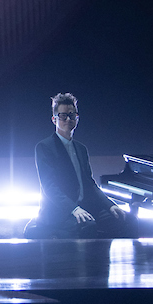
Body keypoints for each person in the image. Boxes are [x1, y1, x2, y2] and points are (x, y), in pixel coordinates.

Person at [30, 92, 133, 239]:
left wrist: (111, 205)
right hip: (59, 212)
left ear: (77, 118)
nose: (68, 119)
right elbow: (50, 187)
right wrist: (73, 208)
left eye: (72, 115)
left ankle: (110, 262)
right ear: (54, 119)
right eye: (63, 116)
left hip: (84, 207)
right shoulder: (44, 147)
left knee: (126, 220)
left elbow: (90, 184)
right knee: (88, 227)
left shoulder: (81, 148)